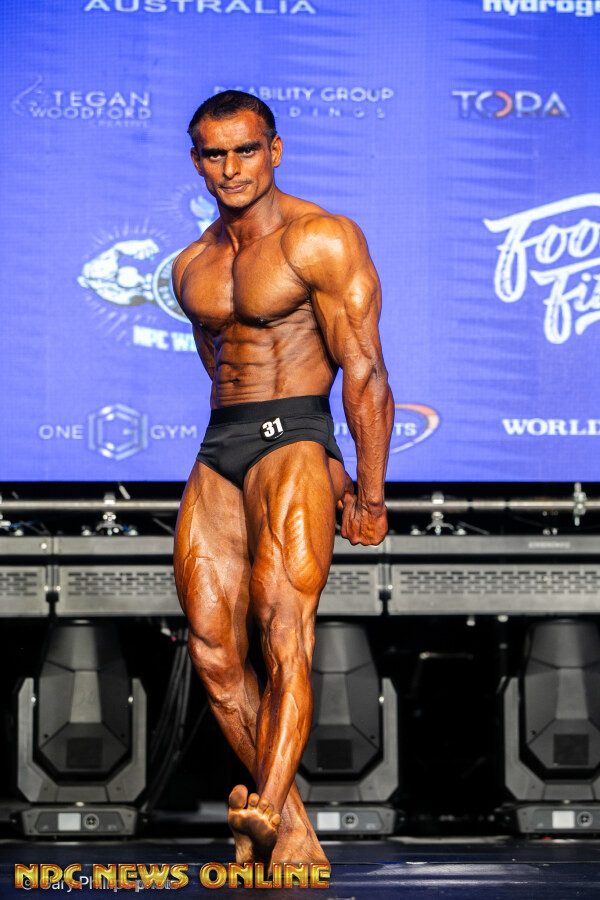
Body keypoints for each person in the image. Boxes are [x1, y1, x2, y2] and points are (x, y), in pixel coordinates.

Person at [173, 90, 394, 870]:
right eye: (214, 154)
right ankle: (287, 824)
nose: (230, 168)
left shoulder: (321, 238)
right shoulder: (191, 266)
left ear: (274, 150)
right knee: (212, 652)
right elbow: (218, 364)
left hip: (294, 436)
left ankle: (264, 801)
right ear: (197, 161)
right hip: (221, 445)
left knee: (282, 631)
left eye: (245, 150)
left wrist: (367, 490)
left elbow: (364, 370)